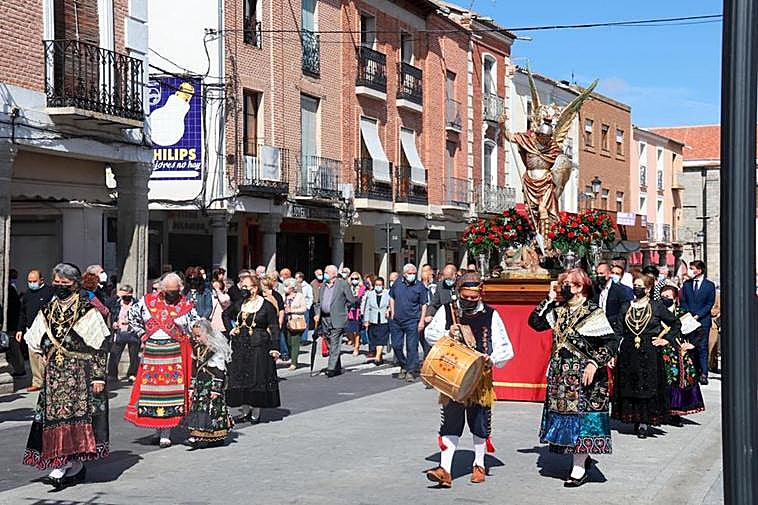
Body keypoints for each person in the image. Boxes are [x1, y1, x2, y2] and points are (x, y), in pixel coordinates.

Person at [528, 268, 619, 487]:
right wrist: (548, 298)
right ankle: (581, 460)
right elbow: (535, 323)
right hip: (561, 375)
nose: (565, 286)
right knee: (565, 420)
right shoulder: (558, 309)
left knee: (583, 422)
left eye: (569, 283)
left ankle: (578, 469)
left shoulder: (592, 312)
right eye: (564, 283)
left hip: (585, 376)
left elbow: (611, 342)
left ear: (580, 287)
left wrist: (594, 362)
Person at [22, 263, 110, 489]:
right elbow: (35, 337)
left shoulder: (86, 310)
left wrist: (99, 377)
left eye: (65, 283)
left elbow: (100, 344)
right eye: (57, 282)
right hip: (54, 376)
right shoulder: (48, 310)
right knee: (55, 420)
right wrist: (44, 352)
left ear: (75, 284)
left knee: (75, 421)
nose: (60, 286)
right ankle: (65, 466)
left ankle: (68, 466)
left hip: (79, 374)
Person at [424, 272, 514, 488]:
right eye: (466, 297)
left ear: (480, 294)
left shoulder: (491, 314)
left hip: (479, 376)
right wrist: (448, 332)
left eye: (474, 298)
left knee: (479, 421)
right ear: (458, 292)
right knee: (451, 421)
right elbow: (429, 333)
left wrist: (491, 359)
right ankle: (445, 470)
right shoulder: (448, 311)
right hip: (452, 376)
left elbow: (506, 347)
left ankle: (479, 464)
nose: (470, 301)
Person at [125, 273, 198, 448]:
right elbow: (132, 316)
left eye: (176, 291)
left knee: (171, 393)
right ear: (162, 289)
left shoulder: (186, 305)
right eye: (169, 291)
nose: (173, 294)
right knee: (152, 392)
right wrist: (142, 335)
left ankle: (167, 432)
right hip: (152, 353)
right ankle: (157, 430)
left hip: (175, 353)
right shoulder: (147, 302)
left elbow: (195, 324)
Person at [611, 273, 681, 438]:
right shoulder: (626, 306)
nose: (637, 288)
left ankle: (644, 421)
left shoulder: (656, 307)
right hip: (629, 351)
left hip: (649, 351)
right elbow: (618, 330)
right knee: (631, 384)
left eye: (640, 286)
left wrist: (666, 340)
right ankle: (633, 416)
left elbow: (676, 323)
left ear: (648, 289)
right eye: (635, 285)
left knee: (647, 385)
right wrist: (613, 350)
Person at [224, 274, 281, 423]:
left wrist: (275, 347)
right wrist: (231, 329)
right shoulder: (240, 303)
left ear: (255, 288)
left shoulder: (266, 305)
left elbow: (274, 327)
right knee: (241, 377)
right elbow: (225, 314)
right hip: (240, 345)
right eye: (242, 286)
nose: (243, 289)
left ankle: (256, 409)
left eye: (246, 286)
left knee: (257, 377)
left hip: (258, 345)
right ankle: (244, 409)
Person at [659, 285, 706, 426]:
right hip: (660, 352)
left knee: (677, 382)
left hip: (678, 354)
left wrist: (692, 344)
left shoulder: (681, 314)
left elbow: (700, 331)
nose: (664, 299)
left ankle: (676, 413)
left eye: (668, 297)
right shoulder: (656, 312)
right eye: (662, 296)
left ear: (675, 298)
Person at [185, 319, 234, 448]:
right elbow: (194, 369)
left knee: (213, 410)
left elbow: (219, 370)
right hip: (200, 384)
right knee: (199, 409)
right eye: (194, 336)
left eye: (198, 336)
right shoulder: (197, 349)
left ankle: (216, 435)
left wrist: (216, 389)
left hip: (211, 384)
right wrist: (191, 386)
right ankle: (197, 435)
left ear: (207, 333)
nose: (196, 339)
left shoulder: (215, 350)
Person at [313, 265, 356, 377]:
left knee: (335, 341)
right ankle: (337, 366)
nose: (325, 274)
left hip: (338, 318)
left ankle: (331, 368)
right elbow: (318, 303)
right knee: (329, 342)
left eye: (327, 272)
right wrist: (317, 313)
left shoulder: (342, 284)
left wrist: (344, 310)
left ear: (333, 274)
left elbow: (351, 300)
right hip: (325, 319)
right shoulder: (323, 286)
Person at [16, 269, 55, 389]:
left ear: (41, 280)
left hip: (46, 329)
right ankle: (37, 382)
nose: (32, 283)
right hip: (31, 329)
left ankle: (50, 381)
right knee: (33, 356)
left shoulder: (49, 292)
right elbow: (22, 313)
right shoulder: (27, 294)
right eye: (29, 281)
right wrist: (20, 329)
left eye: (34, 281)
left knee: (47, 355)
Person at [389, 264, 428, 382]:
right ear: (404, 274)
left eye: (414, 273)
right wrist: (392, 311)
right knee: (396, 345)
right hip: (397, 320)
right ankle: (403, 365)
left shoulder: (419, 286)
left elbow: (424, 304)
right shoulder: (397, 283)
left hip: (412, 320)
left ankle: (410, 371)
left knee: (412, 347)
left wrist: (421, 320)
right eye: (410, 273)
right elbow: (392, 297)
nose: (412, 275)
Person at [679, 260, 716, 385]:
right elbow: (683, 301)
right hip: (688, 321)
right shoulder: (687, 285)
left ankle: (704, 373)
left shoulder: (709, 285)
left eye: (692, 268)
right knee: (690, 347)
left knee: (702, 347)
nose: (690, 271)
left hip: (703, 321)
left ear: (699, 270)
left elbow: (709, 303)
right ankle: (693, 371)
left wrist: (698, 315)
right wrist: (688, 315)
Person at [106, 285, 139, 383]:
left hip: (133, 332)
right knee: (114, 354)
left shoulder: (137, 304)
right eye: (123, 295)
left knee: (134, 355)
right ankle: (112, 374)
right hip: (119, 331)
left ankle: (132, 374)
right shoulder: (116, 303)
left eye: (127, 295)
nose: (125, 298)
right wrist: (113, 323)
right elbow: (107, 304)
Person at [361, 276, 391, 365]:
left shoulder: (388, 293)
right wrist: (366, 320)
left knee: (381, 338)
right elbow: (367, 307)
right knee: (374, 338)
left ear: (383, 285)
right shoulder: (370, 294)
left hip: (383, 320)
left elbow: (392, 304)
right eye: (377, 285)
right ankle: (379, 355)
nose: (378, 286)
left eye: (380, 285)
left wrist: (389, 310)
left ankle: (378, 356)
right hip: (373, 319)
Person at [283, 278, 307, 371]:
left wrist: (292, 310)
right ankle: (292, 358)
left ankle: (294, 363)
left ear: (292, 287)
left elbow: (304, 308)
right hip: (286, 321)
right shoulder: (283, 296)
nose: (285, 288)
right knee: (288, 342)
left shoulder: (299, 296)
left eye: (287, 286)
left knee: (295, 342)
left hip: (297, 321)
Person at [262, 275, 288, 364]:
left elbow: (281, 309)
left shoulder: (276, 295)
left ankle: (283, 353)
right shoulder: (260, 295)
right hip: (264, 322)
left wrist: (280, 321)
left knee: (277, 338)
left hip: (274, 321)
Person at [5, 269, 23, 377]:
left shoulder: (10, 289)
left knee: (13, 347)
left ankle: (20, 370)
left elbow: (15, 308)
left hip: (11, 324)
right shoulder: (10, 288)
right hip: (11, 323)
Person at [346, 272, 366, 357]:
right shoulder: (348, 288)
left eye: (356, 279)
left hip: (358, 311)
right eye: (352, 279)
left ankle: (356, 346)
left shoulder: (362, 288)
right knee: (349, 330)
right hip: (349, 310)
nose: (354, 280)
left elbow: (359, 298)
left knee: (356, 331)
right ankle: (354, 342)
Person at [295, 271, 314, 345]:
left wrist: (308, 306)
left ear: (301, 278)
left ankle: (304, 339)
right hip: (297, 307)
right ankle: (298, 338)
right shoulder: (295, 286)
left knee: (305, 323)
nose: (296, 279)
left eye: (297, 278)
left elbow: (310, 297)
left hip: (305, 307)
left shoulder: (307, 286)